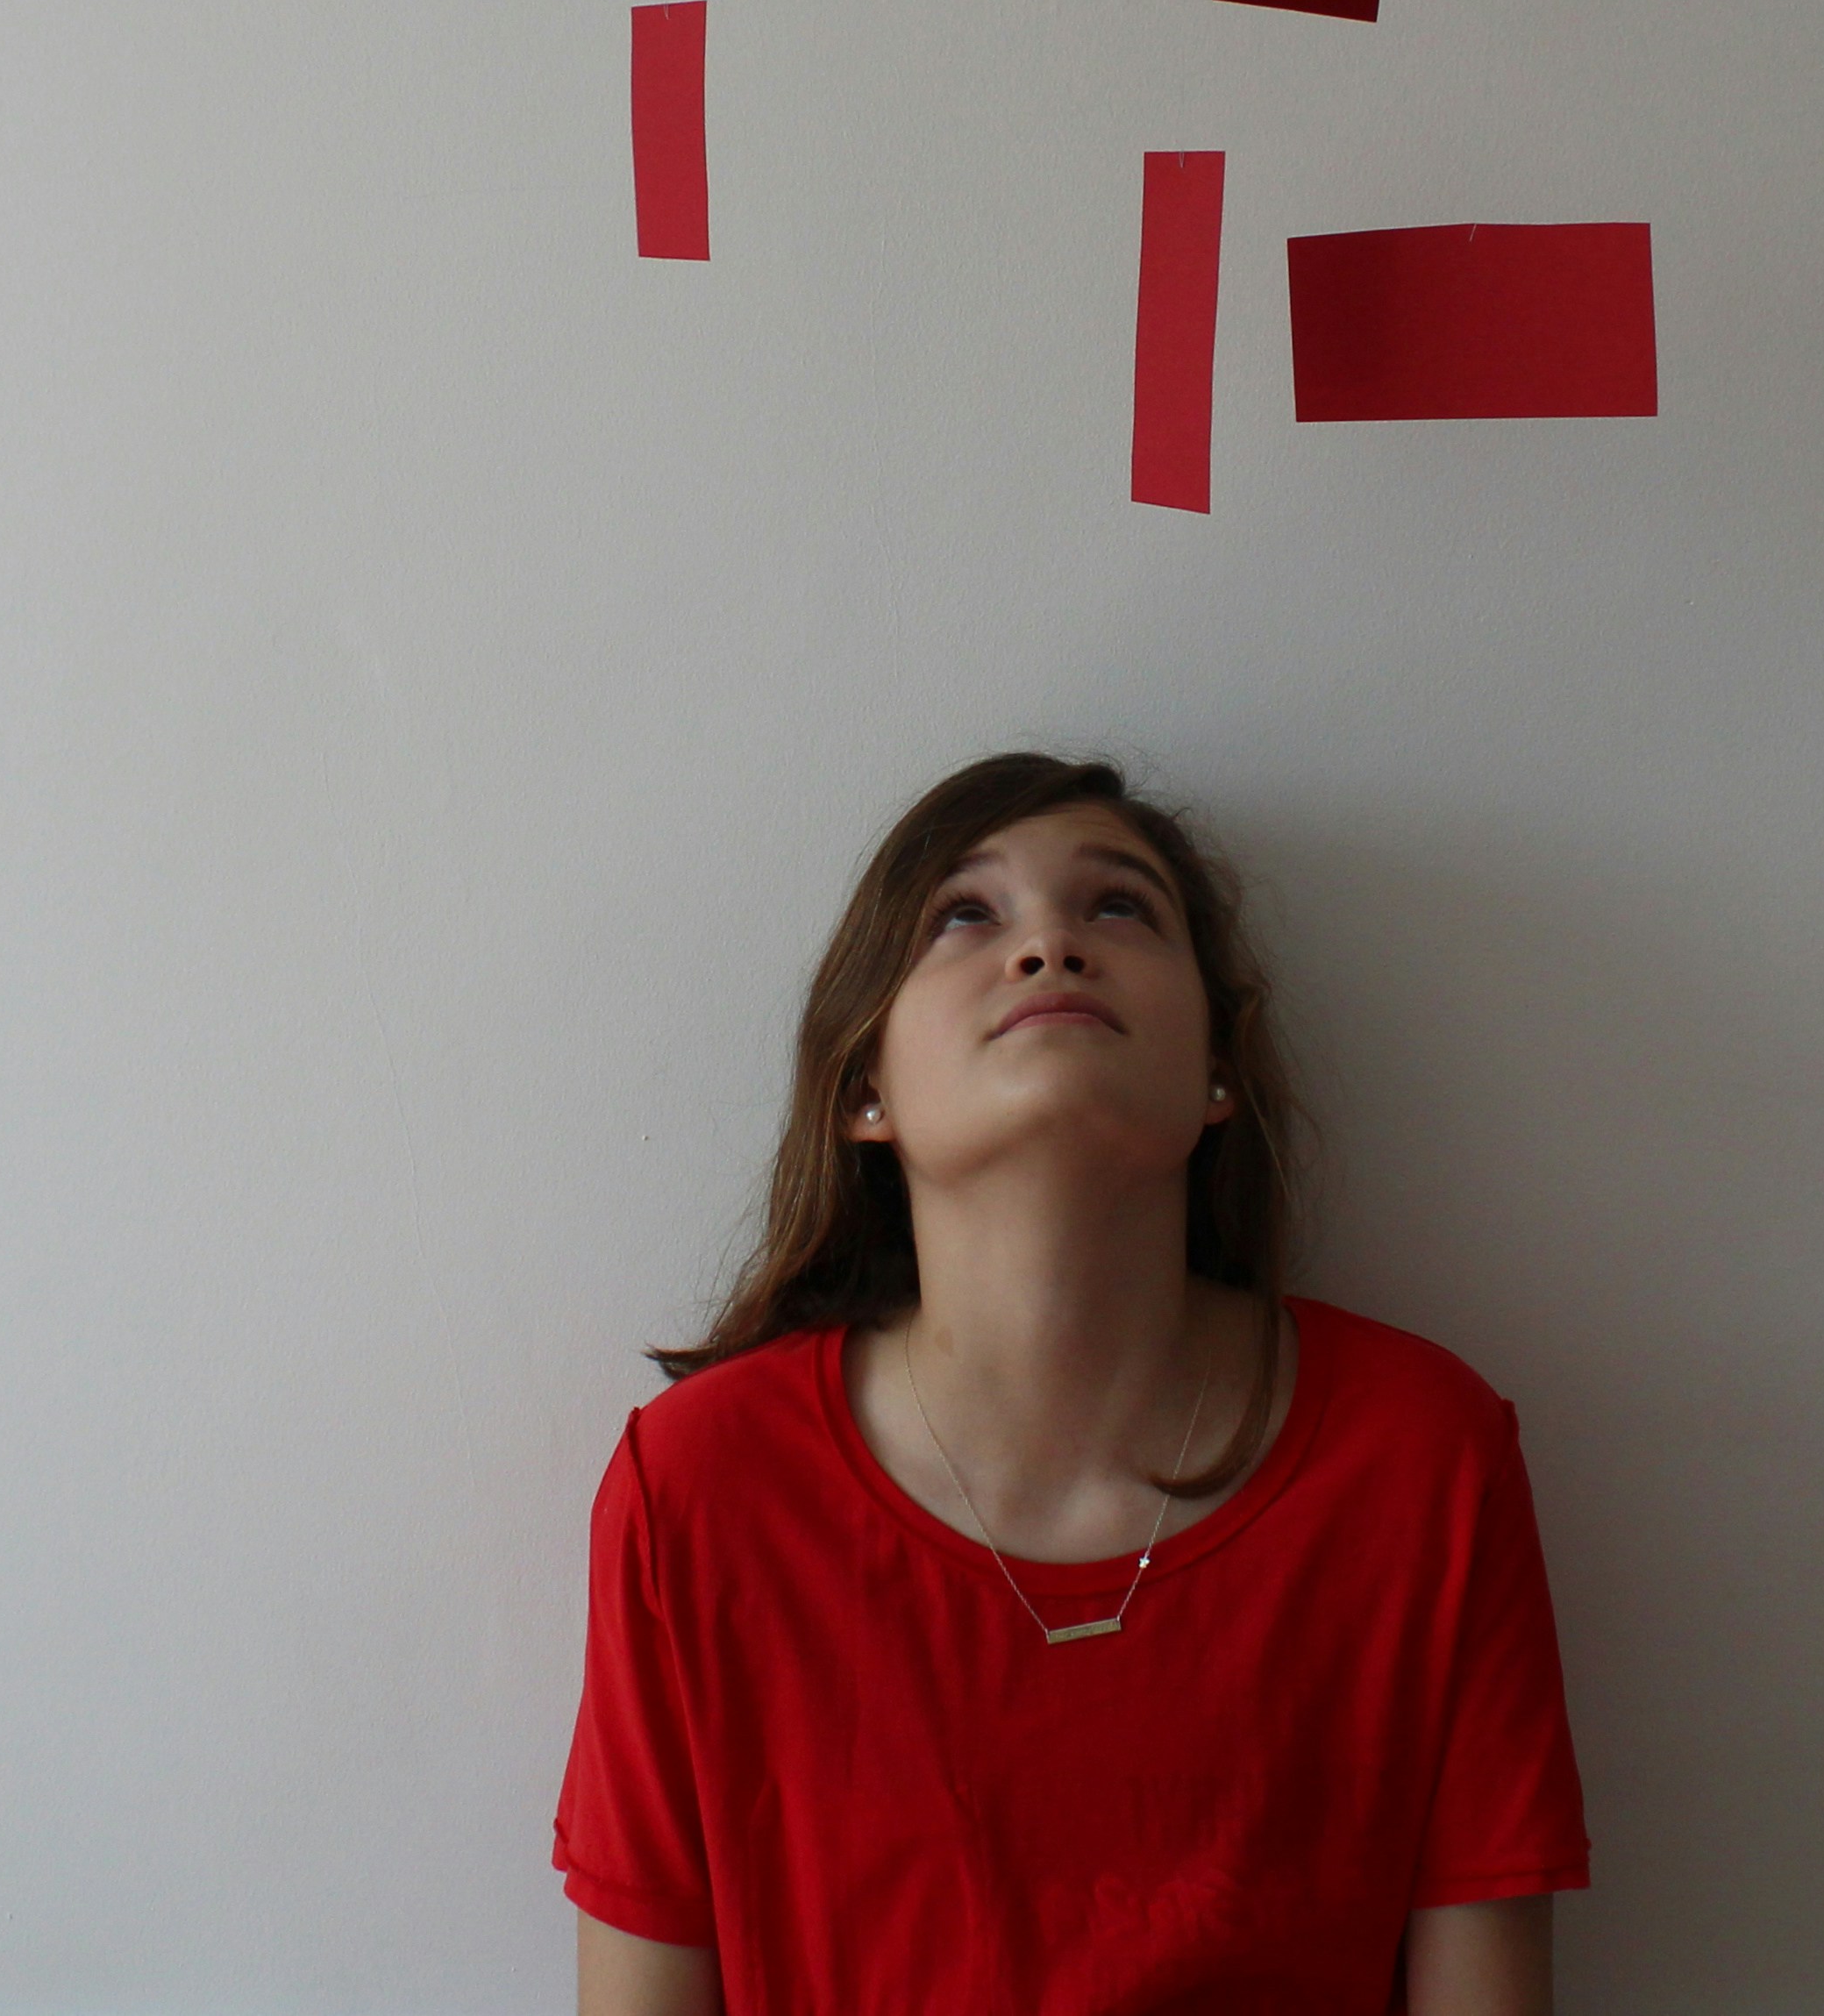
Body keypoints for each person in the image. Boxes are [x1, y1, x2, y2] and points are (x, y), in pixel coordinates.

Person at [555, 753, 1589, 2015]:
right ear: (864, 1089)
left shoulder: (1420, 1457)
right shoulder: (702, 1490)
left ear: (1219, 1074)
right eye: (965, 915)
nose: (1047, 944)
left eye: (1118, 907)